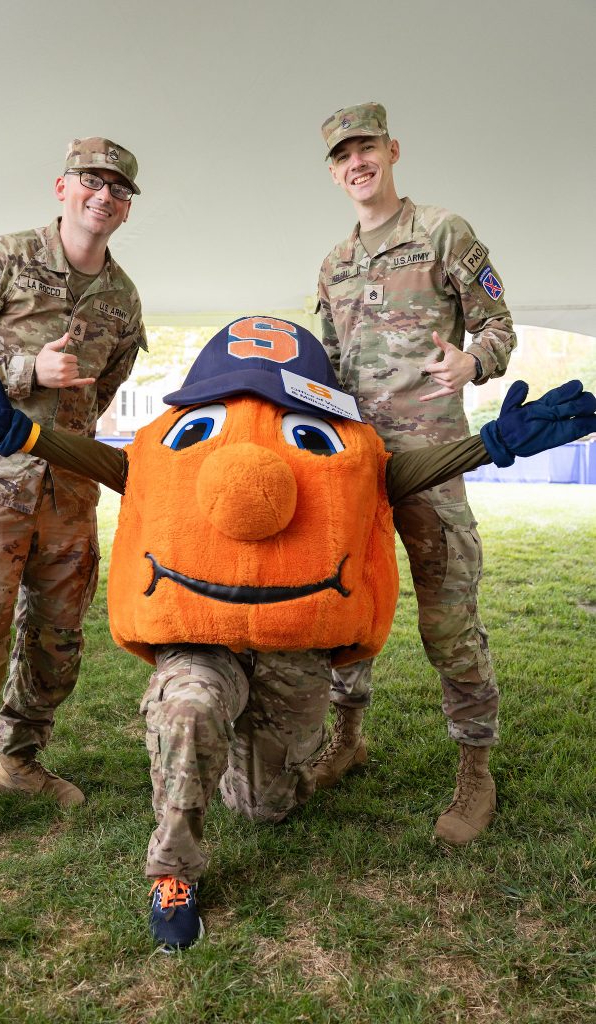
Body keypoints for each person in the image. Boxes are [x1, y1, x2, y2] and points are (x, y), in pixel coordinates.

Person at [0, 318, 594, 950]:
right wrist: (18, 432)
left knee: (263, 807)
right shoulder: (168, 446)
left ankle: (282, 751)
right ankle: (172, 871)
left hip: (291, 652)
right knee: (186, 706)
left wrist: (495, 443)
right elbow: (106, 461)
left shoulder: (351, 453)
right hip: (199, 640)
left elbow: (401, 476)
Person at [0, 137, 148, 885]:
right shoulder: (1, 260)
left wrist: (69, 429)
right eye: (91, 181)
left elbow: (106, 383)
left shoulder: (123, 297)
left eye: (118, 188)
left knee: (57, 640)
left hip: (69, 491)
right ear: (62, 187)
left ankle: (20, 759)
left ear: (126, 206)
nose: (103, 196)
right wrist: (23, 371)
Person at [315, 102, 517, 845]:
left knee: (446, 615)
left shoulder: (442, 232)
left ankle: (474, 767)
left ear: (391, 149)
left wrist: (473, 360)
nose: (354, 163)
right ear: (333, 171)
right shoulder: (333, 263)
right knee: (344, 604)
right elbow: (327, 365)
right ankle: (346, 736)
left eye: (364, 147)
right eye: (340, 156)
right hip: (355, 466)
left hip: (430, 454)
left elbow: (498, 325)